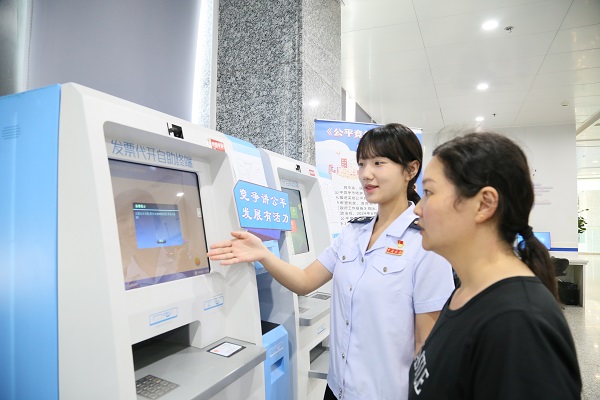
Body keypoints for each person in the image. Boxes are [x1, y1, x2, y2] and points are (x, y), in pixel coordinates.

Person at [208, 123, 455, 400]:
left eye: (378, 163)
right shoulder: (353, 233)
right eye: (361, 164)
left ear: (410, 170)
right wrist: (263, 254)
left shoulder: (426, 244)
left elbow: (427, 345)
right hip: (337, 389)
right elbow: (304, 281)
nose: (366, 174)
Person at [409, 132, 582, 399]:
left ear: (484, 204)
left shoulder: (519, 324)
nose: (417, 209)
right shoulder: (465, 293)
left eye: (429, 192)